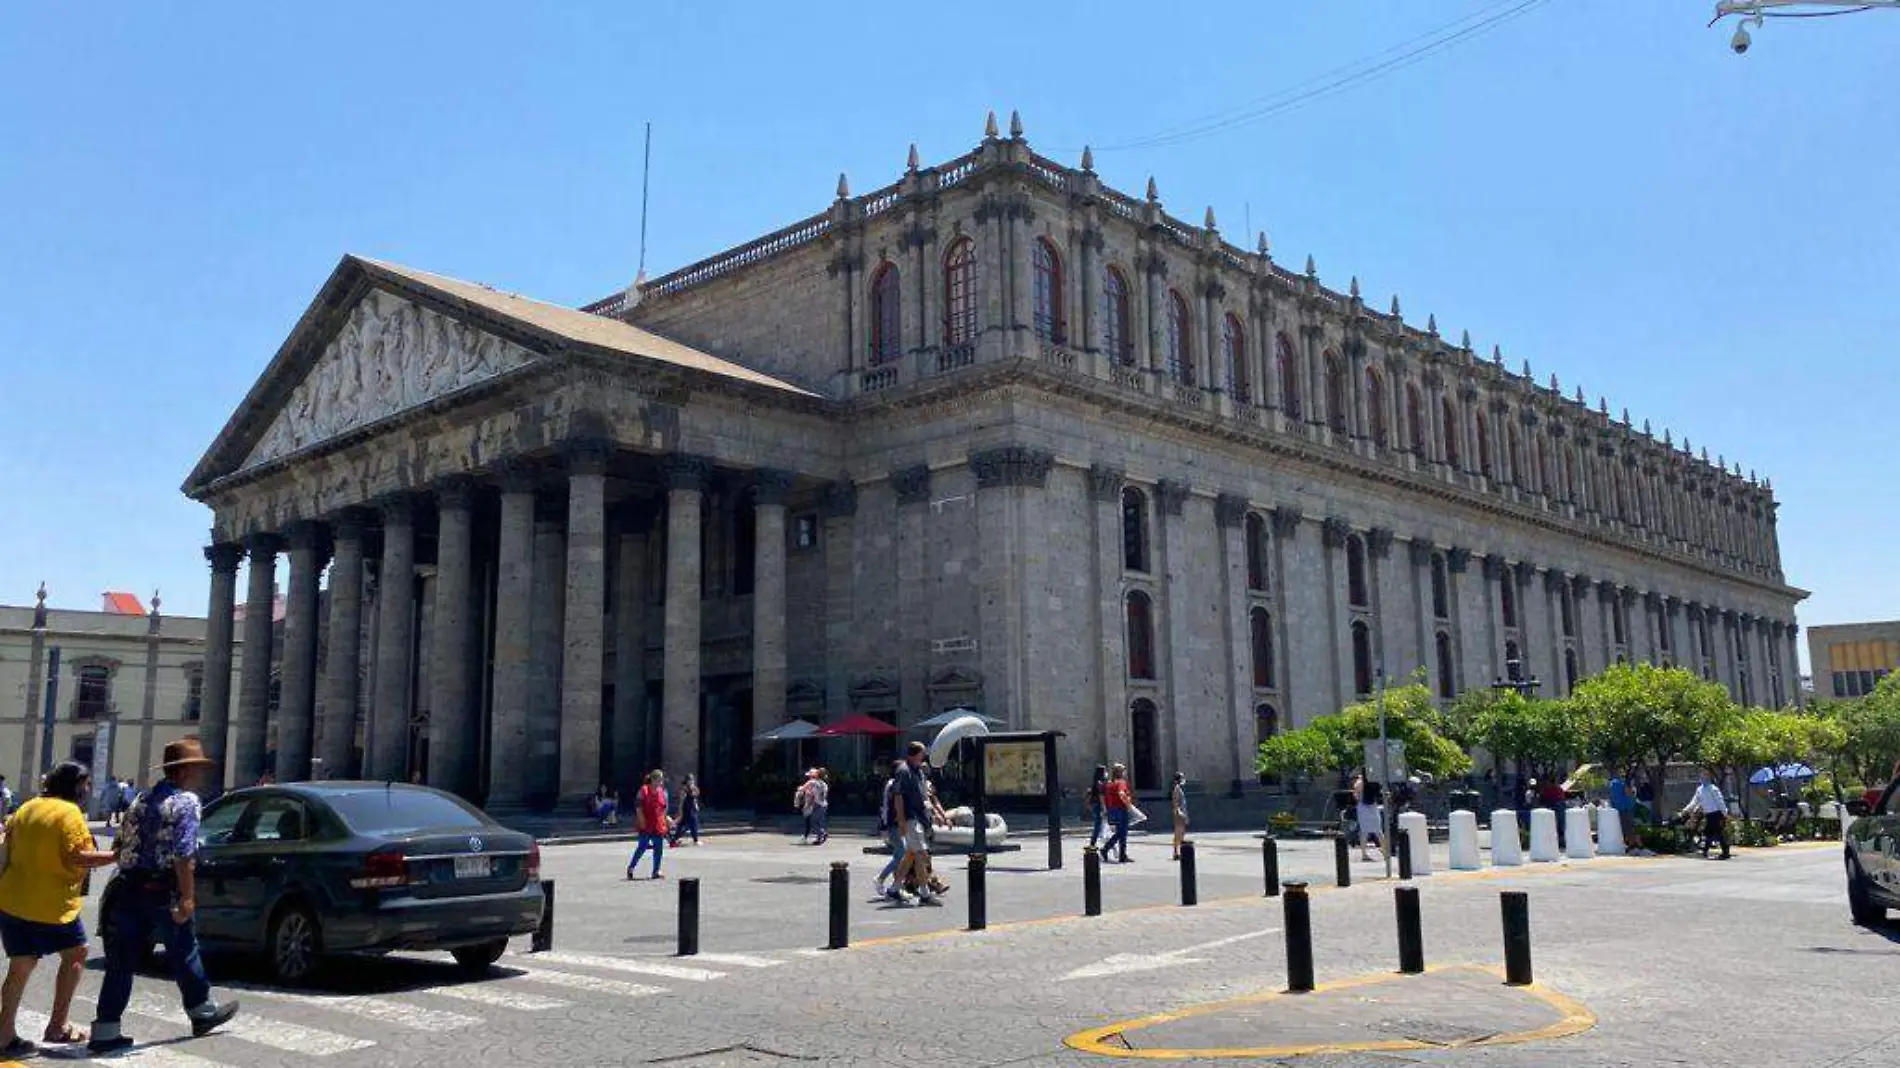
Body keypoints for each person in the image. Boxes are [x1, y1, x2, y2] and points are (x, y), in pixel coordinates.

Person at [87, 738, 239, 1054]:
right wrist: (187, 897)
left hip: (130, 886)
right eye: (196, 768)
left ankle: (105, 1029)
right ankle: (202, 1012)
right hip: (163, 889)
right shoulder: (187, 803)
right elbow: (185, 854)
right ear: (184, 772)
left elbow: (123, 845)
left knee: (121, 960)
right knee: (184, 949)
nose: (200, 775)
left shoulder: (139, 800)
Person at [0, 762, 119, 1056]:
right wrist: (116, 855)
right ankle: (58, 1025)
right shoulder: (70, 814)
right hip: (51, 904)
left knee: (21, 964)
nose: (88, 791)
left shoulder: (27, 807)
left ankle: (4, 1034)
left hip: (12, 899)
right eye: (86, 785)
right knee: (77, 952)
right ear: (76, 785)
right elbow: (79, 856)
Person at [888, 743, 939, 905]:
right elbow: (898, 796)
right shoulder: (904, 771)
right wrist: (901, 820)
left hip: (919, 817)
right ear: (913, 755)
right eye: (922, 754)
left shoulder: (917, 771)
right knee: (920, 856)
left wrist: (932, 814)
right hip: (911, 818)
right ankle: (924, 894)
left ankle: (894, 890)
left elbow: (923, 796)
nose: (924, 756)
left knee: (910, 855)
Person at [626, 771, 669, 880]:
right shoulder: (643, 790)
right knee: (642, 846)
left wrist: (666, 821)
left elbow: (663, 809)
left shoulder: (662, 792)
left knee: (658, 848)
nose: (661, 781)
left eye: (662, 779)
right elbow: (638, 807)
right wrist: (641, 821)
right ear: (654, 779)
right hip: (645, 823)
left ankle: (656, 871)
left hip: (657, 824)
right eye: (660, 779)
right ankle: (631, 868)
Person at [873, 761, 906, 900]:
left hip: (894, 823)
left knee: (900, 855)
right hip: (894, 823)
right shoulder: (894, 785)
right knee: (901, 854)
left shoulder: (892, 783)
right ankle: (881, 878)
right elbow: (891, 806)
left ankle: (897, 887)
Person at [1682, 771, 1731, 860]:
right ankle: (1706, 851)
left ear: (1709, 779)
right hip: (1709, 814)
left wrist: (1725, 813)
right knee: (1709, 832)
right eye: (1701, 777)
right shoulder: (1700, 790)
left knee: (1718, 833)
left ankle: (1725, 853)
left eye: (1705, 777)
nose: (1703, 779)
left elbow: (1720, 801)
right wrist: (1686, 809)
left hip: (1717, 813)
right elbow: (1695, 801)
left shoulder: (1713, 789)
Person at [1101, 764, 1134, 863]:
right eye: (1123, 771)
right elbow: (1122, 794)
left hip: (1112, 810)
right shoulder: (1121, 782)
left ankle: (1119, 854)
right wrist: (1129, 805)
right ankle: (1111, 851)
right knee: (1122, 833)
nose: (1125, 773)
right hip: (1121, 809)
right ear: (1120, 772)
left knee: (1120, 833)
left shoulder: (1110, 784)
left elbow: (1106, 798)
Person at [1353, 772, 1384, 862]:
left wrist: (1358, 798)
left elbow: (1355, 794)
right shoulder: (1374, 780)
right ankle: (1385, 851)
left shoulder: (1360, 782)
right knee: (1378, 830)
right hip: (1373, 805)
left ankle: (1364, 854)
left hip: (1362, 806)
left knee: (1364, 831)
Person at [669, 774, 701, 846]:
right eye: (690, 780)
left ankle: (675, 839)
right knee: (689, 825)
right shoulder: (684, 789)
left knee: (686, 825)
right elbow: (681, 800)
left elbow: (694, 798)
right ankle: (675, 839)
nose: (692, 781)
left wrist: (696, 805)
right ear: (687, 781)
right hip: (687, 809)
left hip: (692, 809)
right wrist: (680, 811)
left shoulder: (693, 788)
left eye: (692, 780)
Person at [1085, 765, 1107, 850]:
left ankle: (1094, 842)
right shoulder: (1100, 783)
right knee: (1098, 825)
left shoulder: (1095, 782)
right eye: (1105, 771)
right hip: (1098, 805)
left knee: (1099, 825)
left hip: (1095, 805)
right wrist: (1104, 807)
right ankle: (1093, 843)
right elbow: (1101, 796)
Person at [794, 770, 820, 843]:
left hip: (811, 806)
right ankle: (807, 836)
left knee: (811, 822)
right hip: (811, 805)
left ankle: (808, 836)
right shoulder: (814, 783)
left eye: (809, 775)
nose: (808, 777)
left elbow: (812, 795)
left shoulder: (813, 783)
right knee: (810, 822)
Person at [1170, 773, 1189, 861]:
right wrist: (1179, 813)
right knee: (1178, 833)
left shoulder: (1179, 789)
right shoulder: (1177, 789)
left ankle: (1179, 852)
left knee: (1181, 833)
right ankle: (1176, 852)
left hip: (1182, 813)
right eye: (1182, 778)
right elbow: (1176, 802)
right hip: (1179, 814)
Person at [810, 769, 831, 846]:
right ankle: (819, 838)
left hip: (819, 804)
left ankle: (822, 834)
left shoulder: (817, 783)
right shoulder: (824, 784)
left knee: (814, 821)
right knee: (819, 822)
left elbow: (814, 793)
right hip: (823, 804)